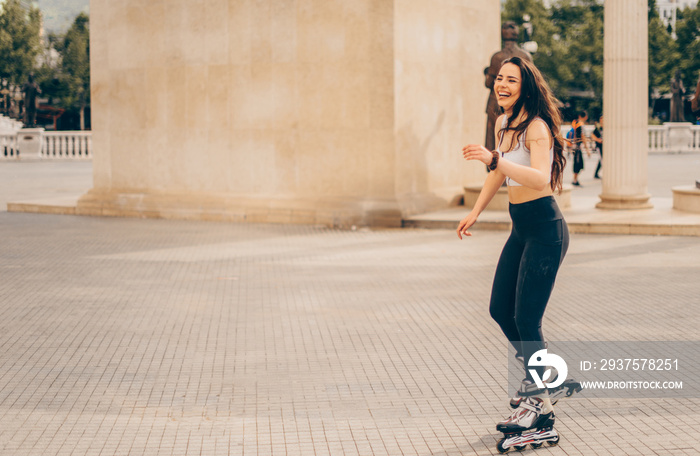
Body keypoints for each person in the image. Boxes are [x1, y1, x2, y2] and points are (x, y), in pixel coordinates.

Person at [458, 56, 570, 452]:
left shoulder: (536, 128)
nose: (502, 85)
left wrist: (494, 158)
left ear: (525, 86)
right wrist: (474, 211)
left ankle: (540, 408)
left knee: (527, 319)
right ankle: (545, 382)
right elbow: (500, 173)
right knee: (500, 311)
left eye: (511, 80)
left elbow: (539, 177)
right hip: (521, 229)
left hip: (545, 231)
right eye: (499, 79)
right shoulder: (504, 123)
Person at [484, 22, 532, 152]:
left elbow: (488, 83)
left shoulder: (497, 57)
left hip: (496, 104)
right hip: (517, 103)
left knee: (494, 144)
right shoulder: (525, 56)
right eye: (500, 78)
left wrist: (488, 74)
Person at [570, 111, 590, 186]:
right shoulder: (580, 125)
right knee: (578, 163)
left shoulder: (575, 123)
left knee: (578, 163)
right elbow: (583, 137)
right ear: (585, 117)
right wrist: (587, 149)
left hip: (574, 146)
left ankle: (575, 179)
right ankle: (575, 180)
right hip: (577, 148)